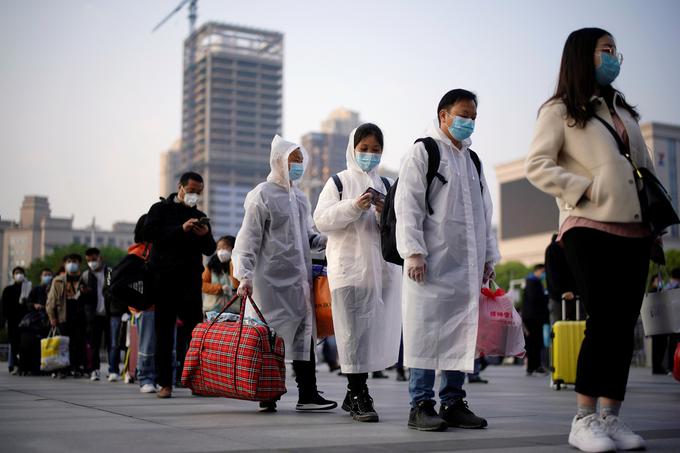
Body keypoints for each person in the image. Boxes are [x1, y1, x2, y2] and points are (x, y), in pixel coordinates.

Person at [526, 28, 653, 452]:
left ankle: (610, 417)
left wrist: (655, 217)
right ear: (583, 56)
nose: (614, 56)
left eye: (616, 49)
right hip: (588, 225)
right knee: (603, 321)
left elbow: (644, 168)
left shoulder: (623, 110)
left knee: (622, 326)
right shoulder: (561, 110)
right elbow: (537, 165)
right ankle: (582, 418)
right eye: (605, 50)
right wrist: (584, 188)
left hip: (636, 228)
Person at [395, 89, 499, 431]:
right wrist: (413, 251)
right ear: (443, 115)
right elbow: (407, 204)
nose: (468, 122)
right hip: (429, 263)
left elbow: (485, 212)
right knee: (425, 330)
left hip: (465, 267)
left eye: (473, 117)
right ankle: (420, 404)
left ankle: (453, 401)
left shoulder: (473, 161)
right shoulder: (424, 151)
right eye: (463, 114)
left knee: (460, 332)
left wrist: (488, 257)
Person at [233, 135, 336, 413]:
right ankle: (268, 393)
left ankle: (308, 393)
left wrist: (329, 237)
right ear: (278, 161)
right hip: (268, 282)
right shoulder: (261, 195)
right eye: (294, 160)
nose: (299, 166)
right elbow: (248, 239)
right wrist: (244, 274)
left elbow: (308, 236)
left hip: (298, 281)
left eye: (302, 161)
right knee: (270, 337)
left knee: (304, 333)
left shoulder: (300, 198)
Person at [314, 123, 402, 423]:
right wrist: (353, 206)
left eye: (375, 149)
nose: (369, 154)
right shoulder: (338, 182)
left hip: (381, 272)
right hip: (348, 270)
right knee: (351, 335)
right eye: (364, 149)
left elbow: (399, 225)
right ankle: (358, 393)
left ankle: (353, 393)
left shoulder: (389, 185)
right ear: (353, 149)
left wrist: (381, 211)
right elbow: (322, 220)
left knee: (371, 334)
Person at [144, 171, 217, 398]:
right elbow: (149, 234)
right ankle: (164, 383)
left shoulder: (200, 216)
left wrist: (204, 235)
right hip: (164, 281)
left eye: (199, 192)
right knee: (164, 333)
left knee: (194, 333)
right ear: (181, 187)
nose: (195, 195)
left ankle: (195, 380)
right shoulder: (160, 210)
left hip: (190, 283)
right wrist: (180, 229)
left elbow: (210, 249)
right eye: (192, 190)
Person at [80, 247, 120, 382]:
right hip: (93, 315)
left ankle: (113, 370)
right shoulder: (85, 276)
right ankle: (94, 370)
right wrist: (84, 293)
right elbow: (80, 298)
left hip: (110, 313)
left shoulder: (109, 273)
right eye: (89, 260)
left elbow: (117, 291)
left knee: (112, 343)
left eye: (94, 259)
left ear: (100, 258)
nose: (92, 262)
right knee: (94, 344)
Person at [46, 254, 87, 377]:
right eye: (69, 261)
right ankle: (63, 368)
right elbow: (51, 301)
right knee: (64, 343)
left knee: (79, 342)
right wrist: (52, 317)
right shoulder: (58, 280)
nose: (71, 264)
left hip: (80, 315)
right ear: (64, 264)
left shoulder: (84, 279)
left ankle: (77, 368)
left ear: (79, 264)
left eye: (74, 261)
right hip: (63, 315)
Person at [545, 234, 581, 324]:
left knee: (578, 324)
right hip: (558, 298)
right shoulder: (552, 250)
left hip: (575, 296)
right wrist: (562, 291)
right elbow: (552, 274)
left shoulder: (571, 248)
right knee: (558, 326)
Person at [1, 267, 31, 374]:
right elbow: (3, 307)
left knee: (24, 344)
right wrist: (3, 321)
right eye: (17, 273)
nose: (19, 275)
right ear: (13, 275)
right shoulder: (8, 290)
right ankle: (16, 365)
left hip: (26, 321)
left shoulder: (28, 289)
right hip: (13, 321)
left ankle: (24, 366)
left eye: (21, 273)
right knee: (14, 344)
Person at [202, 235, 239, 316]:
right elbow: (202, 284)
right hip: (212, 310)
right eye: (218, 249)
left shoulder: (239, 265)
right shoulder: (211, 265)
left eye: (225, 248)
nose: (221, 251)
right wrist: (220, 288)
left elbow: (237, 285)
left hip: (234, 311)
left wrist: (232, 264)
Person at [522, 264, 549, 376]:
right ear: (537, 271)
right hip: (533, 317)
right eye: (542, 271)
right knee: (535, 342)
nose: (543, 274)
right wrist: (546, 296)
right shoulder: (533, 282)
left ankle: (533, 366)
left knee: (533, 342)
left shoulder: (529, 282)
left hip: (530, 317)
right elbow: (537, 299)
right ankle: (534, 366)